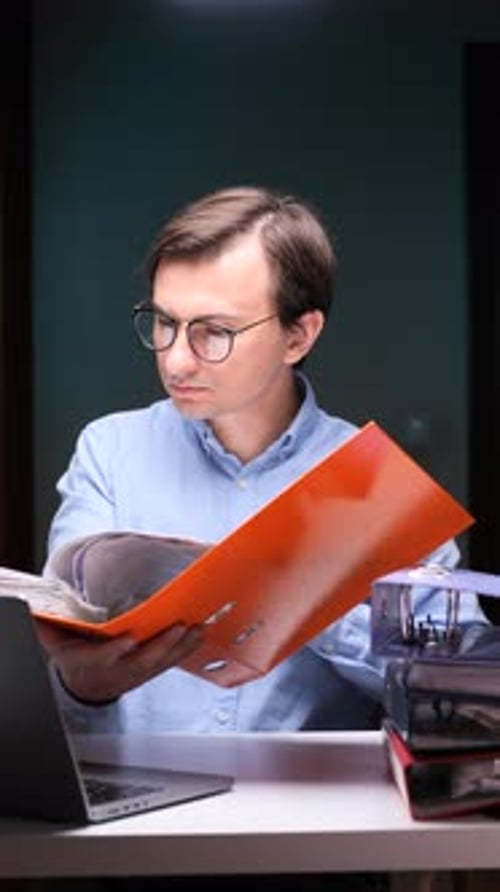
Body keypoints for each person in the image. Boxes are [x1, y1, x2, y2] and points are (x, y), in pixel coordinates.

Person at [37, 185, 478, 736]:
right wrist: (83, 684)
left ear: (298, 335)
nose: (175, 360)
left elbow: (457, 700)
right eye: (164, 322)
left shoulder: (383, 491)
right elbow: (67, 668)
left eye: (214, 333)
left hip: (310, 812)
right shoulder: (109, 452)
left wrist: (309, 609)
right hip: (137, 808)